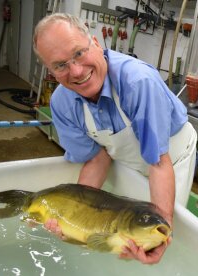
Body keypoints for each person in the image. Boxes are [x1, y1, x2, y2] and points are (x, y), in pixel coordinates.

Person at [33, 13, 197, 264]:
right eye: (60, 65)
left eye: (78, 53)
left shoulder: (137, 83)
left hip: (170, 160)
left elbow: (158, 162)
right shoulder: (62, 104)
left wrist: (162, 234)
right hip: (124, 159)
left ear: (97, 44)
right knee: (116, 239)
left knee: (165, 237)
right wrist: (74, 222)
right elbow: (98, 158)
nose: (76, 71)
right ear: (51, 71)